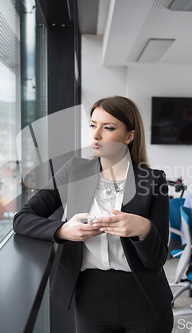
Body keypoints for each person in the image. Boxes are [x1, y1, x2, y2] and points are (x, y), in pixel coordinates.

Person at [13, 96, 173, 332]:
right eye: (92, 125)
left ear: (129, 136)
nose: (95, 135)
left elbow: (157, 259)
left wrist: (144, 229)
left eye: (108, 128)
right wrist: (63, 229)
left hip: (144, 298)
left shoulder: (153, 181)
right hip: (90, 297)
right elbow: (22, 218)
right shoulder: (73, 170)